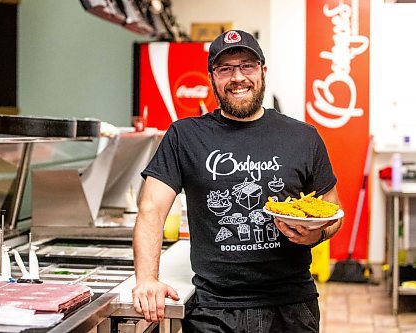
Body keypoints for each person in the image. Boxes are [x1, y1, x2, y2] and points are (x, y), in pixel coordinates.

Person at [132, 29, 343, 333]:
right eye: (225, 68)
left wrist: (317, 236)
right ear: (212, 77)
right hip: (214, 310)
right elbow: (151, 208)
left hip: (290, 307)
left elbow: (333, 209)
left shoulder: (302, 137)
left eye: (247, 65)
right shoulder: (184, 136)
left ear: (262, 72)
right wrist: (147, 279)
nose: (237, 77)